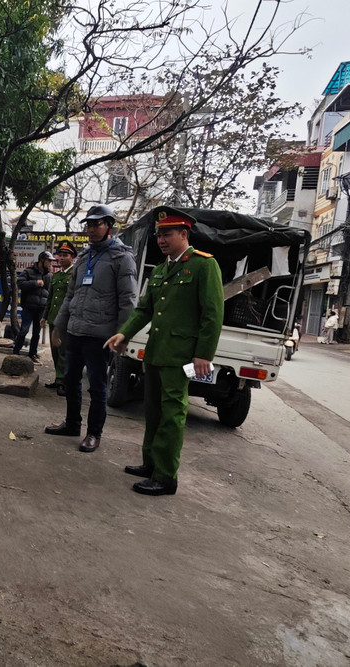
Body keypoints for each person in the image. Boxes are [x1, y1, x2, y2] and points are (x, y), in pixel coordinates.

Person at [105, 206, 224, 496]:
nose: (161, 240)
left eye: (167, 234)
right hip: (157, 353)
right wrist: (124, 333)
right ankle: (151, 464)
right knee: (154, 411)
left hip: (180, 356)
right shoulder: (160, 270)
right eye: (158, 235)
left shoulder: (204, 266)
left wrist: (203, 354)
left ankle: (166, 476)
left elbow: (212, 314)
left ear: (184, 234)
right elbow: (144, 309)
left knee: (172, 415)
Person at [45, 205, 138, 453]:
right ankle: (72, 424)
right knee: (70, 379)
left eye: (97, 224)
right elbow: (71, 296)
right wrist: (59, 325)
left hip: (100, 335)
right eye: (89, 224)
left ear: (109, 226)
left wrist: (123, 334)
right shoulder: (84, 258)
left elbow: (128, 299)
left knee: (97, 386)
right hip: (75, 331)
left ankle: (94, 433)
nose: (91, 229)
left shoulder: (121, 258)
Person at [41, 241, 77, 393]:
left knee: (63, 351)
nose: (61, 258)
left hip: (66, 320)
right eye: (60, 255)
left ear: (72, 257)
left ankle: (64, 381)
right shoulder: (56, 276)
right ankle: (58, 378)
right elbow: (50, 298)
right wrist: (44, 316)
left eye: (65, 255)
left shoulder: (74, 275)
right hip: (53, 318)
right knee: (55, 350)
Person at [12, 250, 53, 363]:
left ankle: (32, 354)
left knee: (36, 333)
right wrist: (35, 283)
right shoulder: (28, 272)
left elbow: (51, 291)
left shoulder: (49, 276)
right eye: (48, 261)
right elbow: (20, 283)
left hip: (41, 309)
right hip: (28, 307)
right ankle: (16, 351)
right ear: (42, 261)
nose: (50, 263)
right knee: (24, 330)